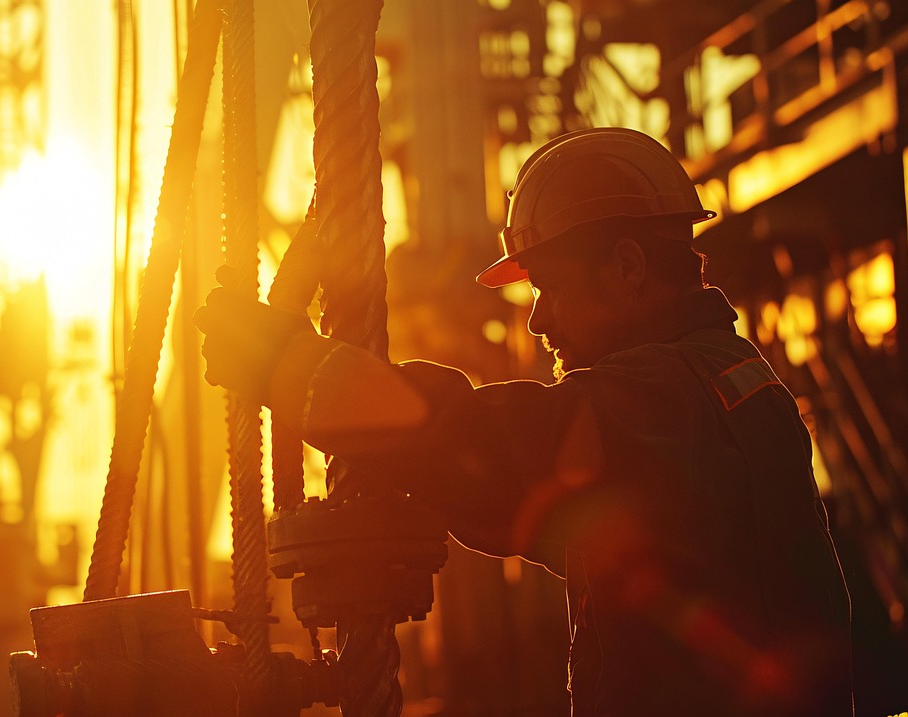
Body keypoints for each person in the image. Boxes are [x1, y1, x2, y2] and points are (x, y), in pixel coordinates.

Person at [195, 127, 854, 716]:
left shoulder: (666, 402)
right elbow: (520, 498)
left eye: (550, 286)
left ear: (627, 267)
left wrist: (286, 362)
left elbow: (478, 449)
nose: (538, 319)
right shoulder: (728, 381)